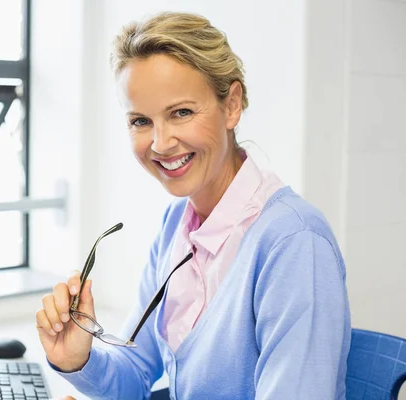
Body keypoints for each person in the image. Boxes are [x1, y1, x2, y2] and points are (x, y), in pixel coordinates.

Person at [35, 11, 351, 400]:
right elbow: (137, 372)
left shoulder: (295, 243)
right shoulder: (177, 224)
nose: (161, 143)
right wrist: (76, 359)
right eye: (140, 121)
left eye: (181, 112)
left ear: (232, 105)